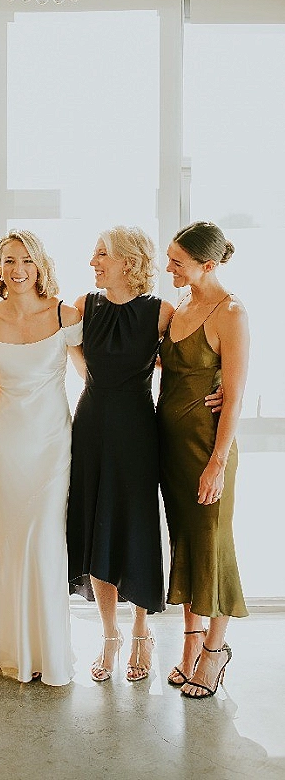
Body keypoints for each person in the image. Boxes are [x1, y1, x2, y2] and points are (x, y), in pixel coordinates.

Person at [0, 230, 82, 686]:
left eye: (27, 261)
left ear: (40, 265)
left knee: (46, 538)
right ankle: (5, 648)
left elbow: (97, 374)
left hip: (52, 441)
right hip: (8, 442)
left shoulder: (64, 314)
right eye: (9, 260)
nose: (18, 270)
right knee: (8, 536)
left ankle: (47, 652)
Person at [66, 226, 174, 683]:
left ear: (128, 262)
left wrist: (221, 391)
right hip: (91, 425)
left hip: (136, 431)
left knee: (135, 525)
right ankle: (109, 634)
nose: (93, 261)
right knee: (97, 526)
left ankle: (141, 631)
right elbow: (69, 352)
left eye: (101, 254)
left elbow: (184, 368)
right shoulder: (83, 306)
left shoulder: (162, 312)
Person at [157, 221, 249, 699]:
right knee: (185, 545)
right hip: (170, 450)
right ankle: (191, 643)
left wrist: (217, 463)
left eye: (178, 261)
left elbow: (233, 398)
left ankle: (215, 652)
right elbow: (166, 366)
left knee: (212, 544)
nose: (168, 267)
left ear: (207, 265)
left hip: (207, 449)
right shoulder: (178, 308)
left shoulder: (230, 312)